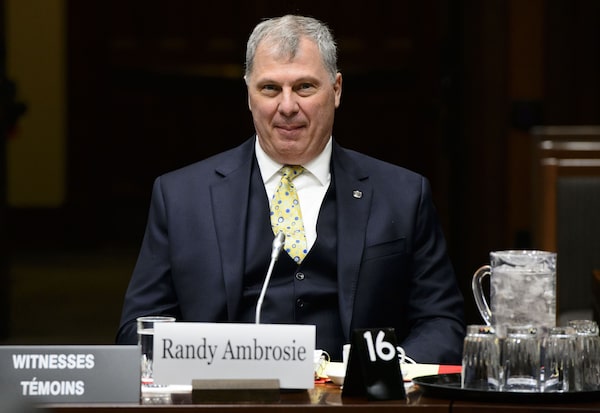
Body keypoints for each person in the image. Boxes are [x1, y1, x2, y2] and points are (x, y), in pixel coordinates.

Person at [116, 14, 465, 363]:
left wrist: (382, 373)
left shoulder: (404, 195)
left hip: (359, 392)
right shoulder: (181, 197)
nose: (287, 107)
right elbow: (138, 330)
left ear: (336, 90)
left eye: (304, 87)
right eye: (270, 88)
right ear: (248, 94)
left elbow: (442, 323)